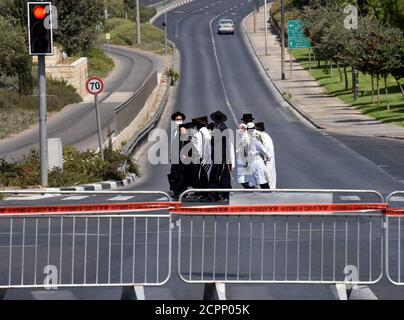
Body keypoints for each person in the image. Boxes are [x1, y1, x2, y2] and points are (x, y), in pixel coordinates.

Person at [209, 111, 235, 202]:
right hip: (222, 157)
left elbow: (213, 142)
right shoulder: (224, 128)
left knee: (218, 176)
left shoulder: (220, 129)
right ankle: (221, 195)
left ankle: (221, 195)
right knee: (222, 176)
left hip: (221, 157)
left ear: (216, 121)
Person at [245, 122, 272, 189]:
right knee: (263, 181)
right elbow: (261, 149)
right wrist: (268, 156)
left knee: (253, 182)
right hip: (257, 162)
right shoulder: (255, 138)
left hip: (250, 162)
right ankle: (268, 197)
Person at [191, 116, 212, 193]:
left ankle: (204, 193)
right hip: (212, 158)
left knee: (202, 177)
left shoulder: (197, 135)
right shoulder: (210, 133)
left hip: (202, 159)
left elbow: (195, 148)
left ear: (197, 126)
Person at [168, 112, 186, 195]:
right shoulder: (174, 130)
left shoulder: (184, 130)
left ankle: (181, 190)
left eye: (180, 119)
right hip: (175, 156)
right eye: (177, 120)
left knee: (182, 173)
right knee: (174, 173)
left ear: (183, 120)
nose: (178, 121)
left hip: (182, 156)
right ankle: (175, 189)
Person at [255, 122, 277, 189]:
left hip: (265, 164)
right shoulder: (267, 136)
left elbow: (263, 151)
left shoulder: (261, 138)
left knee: (265, 184)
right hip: (269, 165)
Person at [236, 123, 252, 189]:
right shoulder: (242, 136)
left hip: (244, 160)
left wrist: (246, 161)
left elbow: (246, 149)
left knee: (241, 178)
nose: (239, 130)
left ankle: (250, 189)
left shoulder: (246, 138)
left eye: (240, 129)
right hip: (241, 159)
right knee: (242, 178)